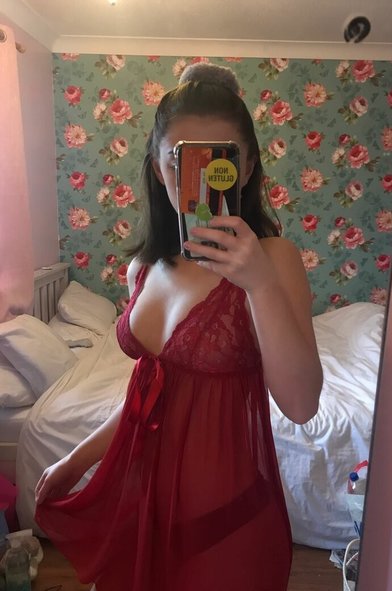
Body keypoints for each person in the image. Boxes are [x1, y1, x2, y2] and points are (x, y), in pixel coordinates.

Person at [34, 63, 323, 591]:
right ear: (158, 165)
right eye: (181, 160)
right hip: (141, 513)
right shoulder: (142, 270)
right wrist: (76, 459)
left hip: (226, 528)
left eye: (221, 160)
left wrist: (258, 284)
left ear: (247, 166)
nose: (201, 176)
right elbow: (149, 396)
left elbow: (302, 406)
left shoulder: (275, 258)